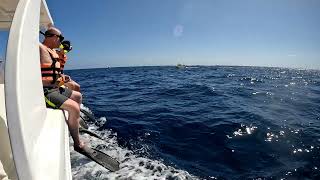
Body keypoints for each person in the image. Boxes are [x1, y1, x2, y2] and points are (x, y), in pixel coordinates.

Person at [39, 26, 84, 151]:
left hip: (55, 88)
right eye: (60, 38)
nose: (61, 41)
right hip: (45, 92)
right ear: (52, 37)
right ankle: (77, 144)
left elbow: (56, 68)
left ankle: (75, 123)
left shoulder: (52, 51)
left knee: (78, 96)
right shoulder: (39, 48)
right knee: (74, 107)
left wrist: (63, 77)